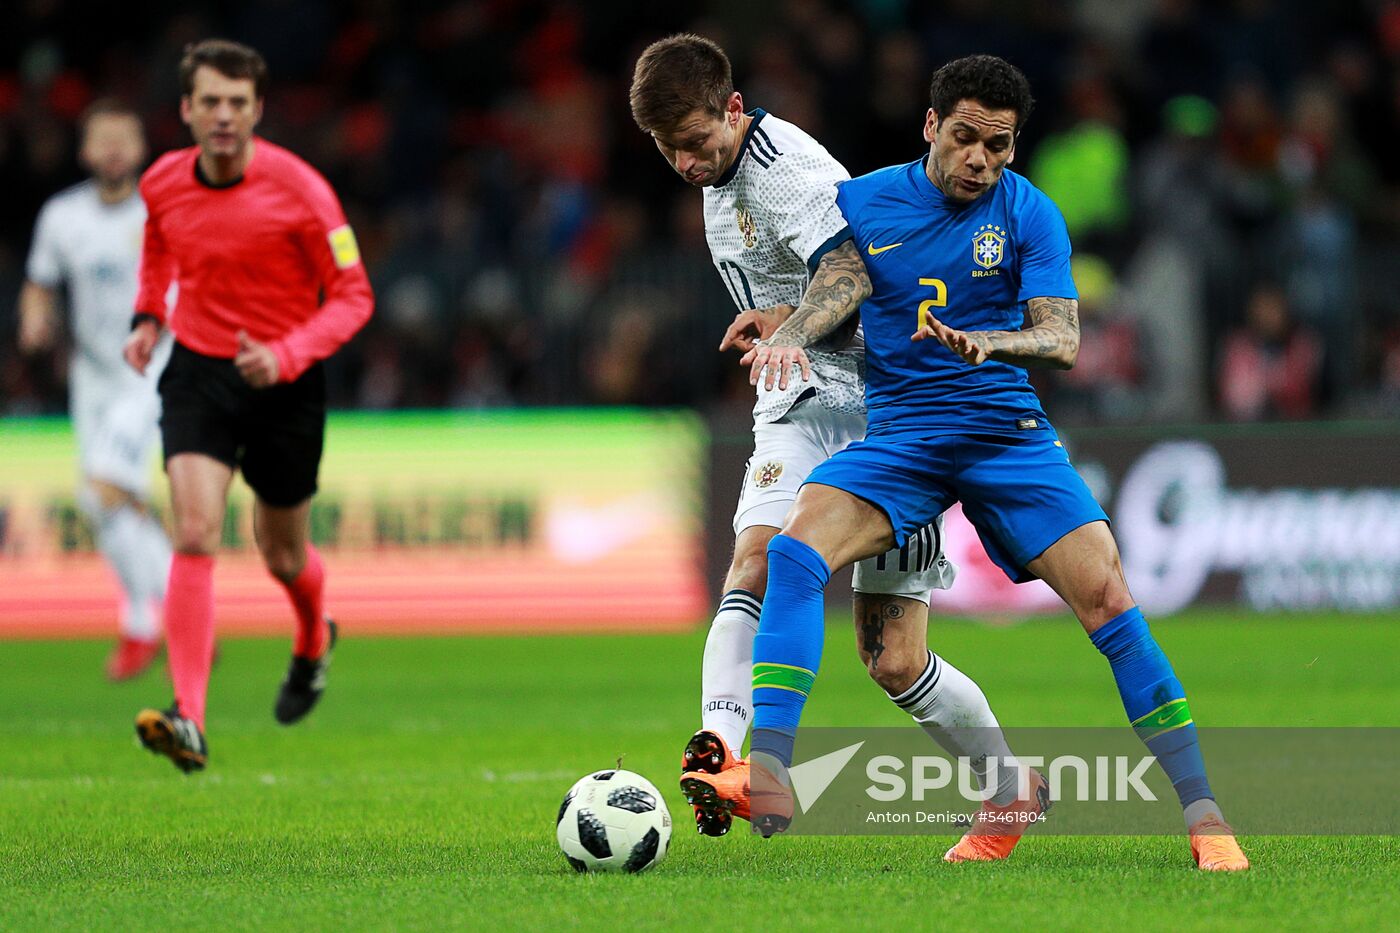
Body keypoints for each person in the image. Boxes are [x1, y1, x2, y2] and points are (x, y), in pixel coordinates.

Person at [741, 54, 1248, 871]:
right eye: (968, 138)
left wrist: (994, 341)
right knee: (795, 552)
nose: (981, 159)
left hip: (1003, 430)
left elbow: (1064, 336)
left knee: (1109, 598)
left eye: (1001, 145)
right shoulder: (863, 201)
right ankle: (767, 764)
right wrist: (789, 324)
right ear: (932, 126)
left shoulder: (1030, 214)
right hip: (901, 436)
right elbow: (840, 289)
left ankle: (1205, 817)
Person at [630, 34, 1045, 860]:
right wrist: (776, 323)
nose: (685, 163)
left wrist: (793, 324)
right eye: (668, 149)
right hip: (798, 404)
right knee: (754, 559)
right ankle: (722, 748)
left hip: (886, 415)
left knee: (892, 660)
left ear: (734, 110)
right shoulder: (718, 178)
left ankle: (1011, 788)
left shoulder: (792, 174)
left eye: (697, 143)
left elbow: (868, 286)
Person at [123, 39, 374, 773]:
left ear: (258, 110)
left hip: (285, 382)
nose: (224, 115)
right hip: (198, 370)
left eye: (238, 102)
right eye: (211, 102)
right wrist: (147, 315)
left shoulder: (304, 192)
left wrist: (287, 355)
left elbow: (355, 296)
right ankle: (189, 716)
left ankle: (310, 641)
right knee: (194, 530)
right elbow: (159, 251)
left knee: (282, 553)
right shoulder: (163, 183)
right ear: (186, 110)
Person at [19, 99, 173, 681]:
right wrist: (35, 319)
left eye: (123, 137)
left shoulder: (162, 211)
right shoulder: (62, 217)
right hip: (92, 374)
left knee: (106, 487)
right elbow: (40, 284)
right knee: (101, 500)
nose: (112, 149)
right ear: (84, 150)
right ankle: (160, 615)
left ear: (140, 148)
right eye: (101, 138)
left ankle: (151, 623)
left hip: (153, 366)